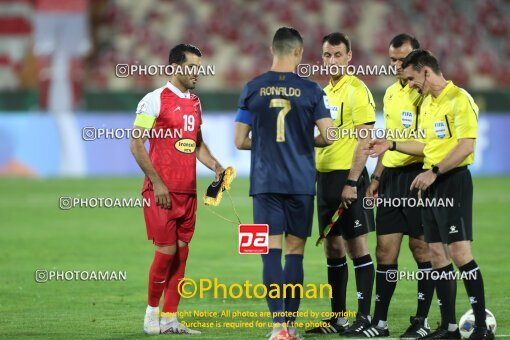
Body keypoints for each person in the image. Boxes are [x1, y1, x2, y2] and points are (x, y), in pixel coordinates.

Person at [368, 49, 493, 340]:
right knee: (436, 255)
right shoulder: (428, 104)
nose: (409, 84)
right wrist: (393, 145)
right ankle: (449, 327)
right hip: (431, 184)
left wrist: (434, 172)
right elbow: (424, 145)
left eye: (412, 78)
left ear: (426, 71)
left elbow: (466, 146)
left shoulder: (459, 99)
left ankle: (481, 327)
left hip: (452, 182)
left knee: (460, 254)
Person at [234, 27, 333, 340]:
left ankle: (277, 327)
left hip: (264, 184)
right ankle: (291, 325)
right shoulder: (312, 90)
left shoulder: (252, 88)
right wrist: (303, 140)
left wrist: (265, 143)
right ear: (298, 53)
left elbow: (239, 141)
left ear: (271, 50)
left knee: (269, 253)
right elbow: (328, 136)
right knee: (295, 252)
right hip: (301, 183)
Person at [130, 44, 225, 335]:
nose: (198, 72)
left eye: (199, 66)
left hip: (188, 193)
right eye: (192, 66)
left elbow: (195, 143)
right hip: (161, 193)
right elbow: (136, 142)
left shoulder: (195, 103)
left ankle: (170, 318)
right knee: (165, 253)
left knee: (182, 255)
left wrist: (217, 167)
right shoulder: (154, 100)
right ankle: (151, 315)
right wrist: (157, 182)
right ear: (174, 67)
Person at [362, 34, 434, 338]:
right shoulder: (391, 93)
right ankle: (380, 322)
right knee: (384, 250)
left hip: (418, 178)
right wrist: (377, 177)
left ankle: (422, 321)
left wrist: (392, 144)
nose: (395, 66)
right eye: (391, 60)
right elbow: (388, 140)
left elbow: (429, 144)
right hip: (391, 180)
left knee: (421, 250)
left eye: (401, 60)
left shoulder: (427, 94)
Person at [306, 32, 376, 337]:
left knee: (356, 246)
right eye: (327, 55)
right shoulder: (324, 93)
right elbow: (325, 138)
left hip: (349, 178)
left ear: (349, 57)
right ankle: (338, 318)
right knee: (333, 248)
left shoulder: (357, 91)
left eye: (338, 54)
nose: (332, 60)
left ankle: (364, 318)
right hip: (326, 179)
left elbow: (365, 141)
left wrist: (352, 182)